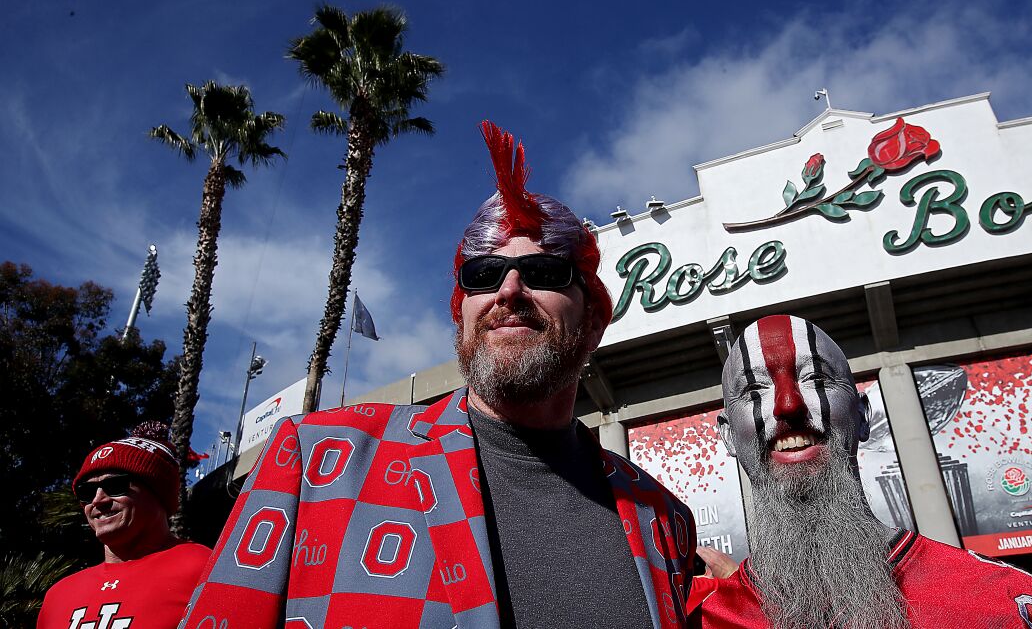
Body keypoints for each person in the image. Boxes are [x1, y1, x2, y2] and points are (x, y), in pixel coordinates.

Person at [179, 121, 694, 628]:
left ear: (593, 320)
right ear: (463, 311)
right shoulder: (316, 458)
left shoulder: (663, 518)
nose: (509, 291)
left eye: (544, 273)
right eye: (483, 275)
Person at [692, 314, 1032, 628]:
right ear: (729, 437)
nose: (788, 405)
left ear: (862, 415)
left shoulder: (1014, 606)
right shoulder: (696, 620)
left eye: (815, 377)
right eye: (753, 389)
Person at [38, 422, 211, 628]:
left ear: (158, 493)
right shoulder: (57, 595)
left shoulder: (205, 569)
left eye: (115, 485)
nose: (98, 500)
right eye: (87, 492)